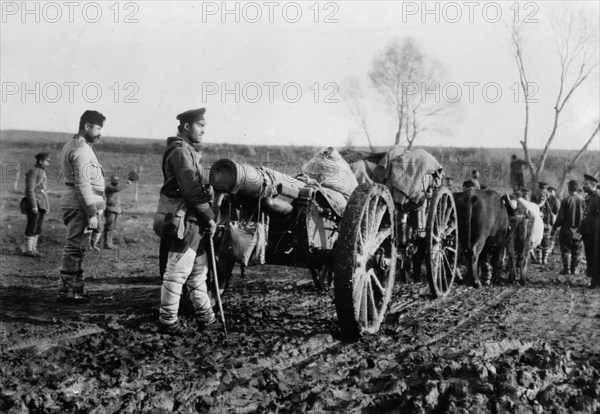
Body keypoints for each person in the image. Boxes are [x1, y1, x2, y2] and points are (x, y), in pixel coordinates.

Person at [157, 107, 217, 334]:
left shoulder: (188, 151)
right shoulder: (181, 151)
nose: (203, 130)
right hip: (186, 219)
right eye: (200, 126)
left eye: (204, 126)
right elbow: (191, 190)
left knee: (196, 273)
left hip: (191, 220)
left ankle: (207, 318)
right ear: (186, 127)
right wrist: (209, 217)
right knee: (178, 272)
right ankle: (167, 321)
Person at [57, 110, 107, 303]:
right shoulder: (80, 149)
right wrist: (91, 212)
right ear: (86, 126)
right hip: (80, 205)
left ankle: (76, 289)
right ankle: (67, 292)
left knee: (79, 248)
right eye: (97, 128)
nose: (99, 133)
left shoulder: (79, 145)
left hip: (80, 204)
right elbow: (83, 184)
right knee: (74, 248)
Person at [90, 173, 138, 250]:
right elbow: (118, 189)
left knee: (112, 227)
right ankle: (106, 243)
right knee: (108, 226)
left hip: (115, 210)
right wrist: (127, 182)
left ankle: (109, 242)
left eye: (117, 179)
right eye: (114, 179)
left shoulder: (116, 187)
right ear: (111, 180)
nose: (116, 181)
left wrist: (121, 210)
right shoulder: (109, 187)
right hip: (110, 209)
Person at [551, 180, 585, 275]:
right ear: (577, 188)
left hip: (567, 230)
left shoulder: (566, 200)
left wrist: (554, 227)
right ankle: (575, 270)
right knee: (577, 250)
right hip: (578, 231)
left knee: (566, 249)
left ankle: (567, 270)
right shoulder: (582, 201)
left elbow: (560, 217)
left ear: (569, 188)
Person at [21, 152, 51, 257]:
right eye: (47, 161)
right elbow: (30, 190)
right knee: (32, 226)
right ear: (40, 161)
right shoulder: (33, 172)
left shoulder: (42, 172)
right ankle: (28, 250)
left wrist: (47, 206)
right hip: (34, 203)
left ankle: (33, 249)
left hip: (41, 203)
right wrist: (34, 205)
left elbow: (44, 191)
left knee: (38, 227)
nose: (48, 164)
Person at [579, 174, 600, 288]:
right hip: (589, 232)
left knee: (596, 256)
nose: (584, 185)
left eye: (586, 184)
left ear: (593, 185)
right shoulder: (590, 197)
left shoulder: (597, 197)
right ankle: (594, 280)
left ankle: (596, 281)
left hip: (596, 233)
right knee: (591, 256)